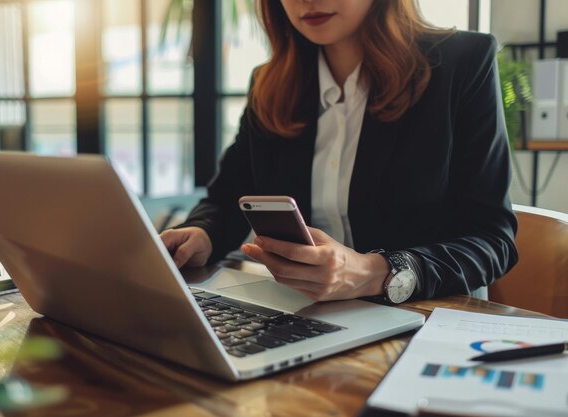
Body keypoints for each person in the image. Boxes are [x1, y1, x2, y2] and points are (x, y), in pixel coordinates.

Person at [160, 0, 518, 303]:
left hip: (426, 315)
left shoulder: (463, 64)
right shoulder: (270, 84)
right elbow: (227, 199)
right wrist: (201, 234)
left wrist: (373, 272)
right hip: (299, 310)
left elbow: (492, 240)